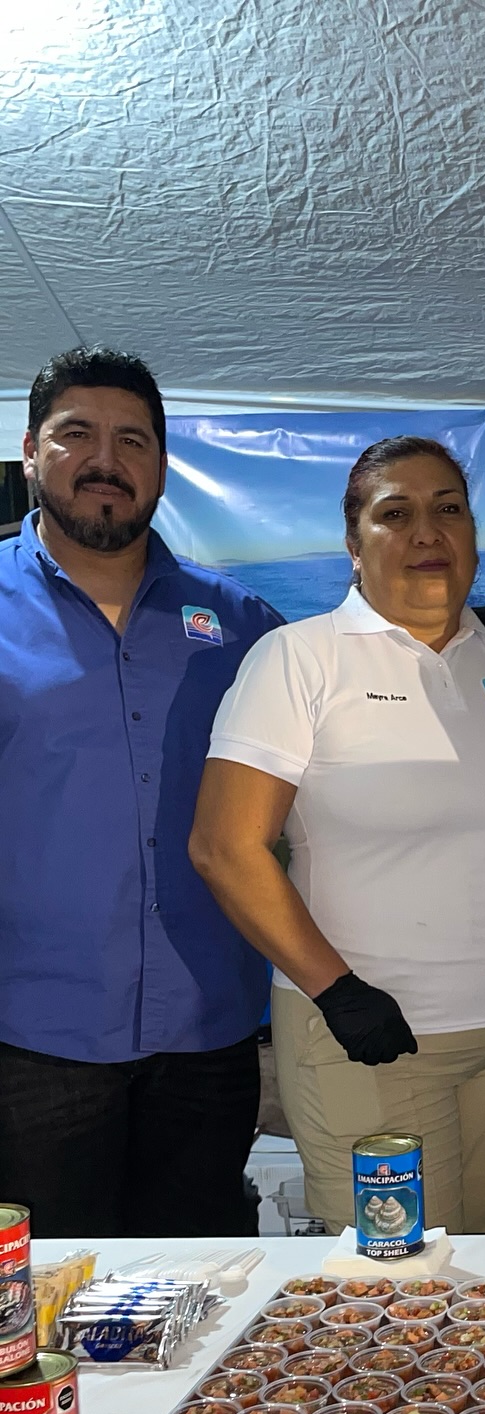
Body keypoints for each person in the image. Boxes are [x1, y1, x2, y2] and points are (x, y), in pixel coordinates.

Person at [190, 436, 485, 1235]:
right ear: (354, 546)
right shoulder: (298, 660)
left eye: (448, 510)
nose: (428, 532)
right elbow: (224, 846)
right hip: (369, 1041)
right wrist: (336, 991)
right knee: (397, 1294)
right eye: (397, 514)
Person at [0, 347, 282, 1237]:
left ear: (161, 465)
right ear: (30, 450)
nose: (105, 461)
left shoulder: (240, 624)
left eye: (133, 440)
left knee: (201, 1297)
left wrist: (470, 631)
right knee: (48, 1305)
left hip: (211, 1027)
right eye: (75, 434)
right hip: (33, 1039)